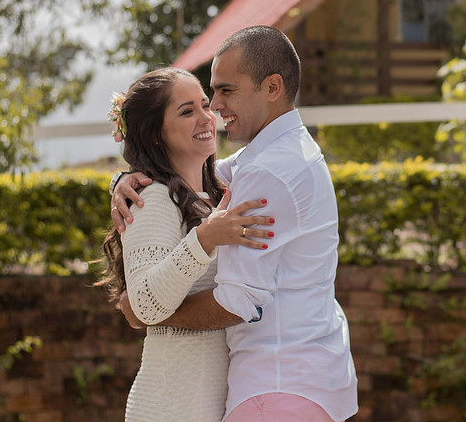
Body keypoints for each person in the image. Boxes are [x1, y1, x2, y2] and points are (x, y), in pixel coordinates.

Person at [110, 26, 358, 422]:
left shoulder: (267, 171)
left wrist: (148, 311)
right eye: (196, 104)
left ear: (272, 87)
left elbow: (236, 302)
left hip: (275, 386)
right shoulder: (275, 155)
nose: (215, 107)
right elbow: (197, 179)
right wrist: (125, 178)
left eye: (225, 92)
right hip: (286, 383)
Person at [98, 67, 275, 422]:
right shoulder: (154, 200)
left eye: (205, 105)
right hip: (169, 407)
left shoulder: (212, 196)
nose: (206, 118)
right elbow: (144, 305)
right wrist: (204, 239)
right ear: (155, 132)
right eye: (186, 111)